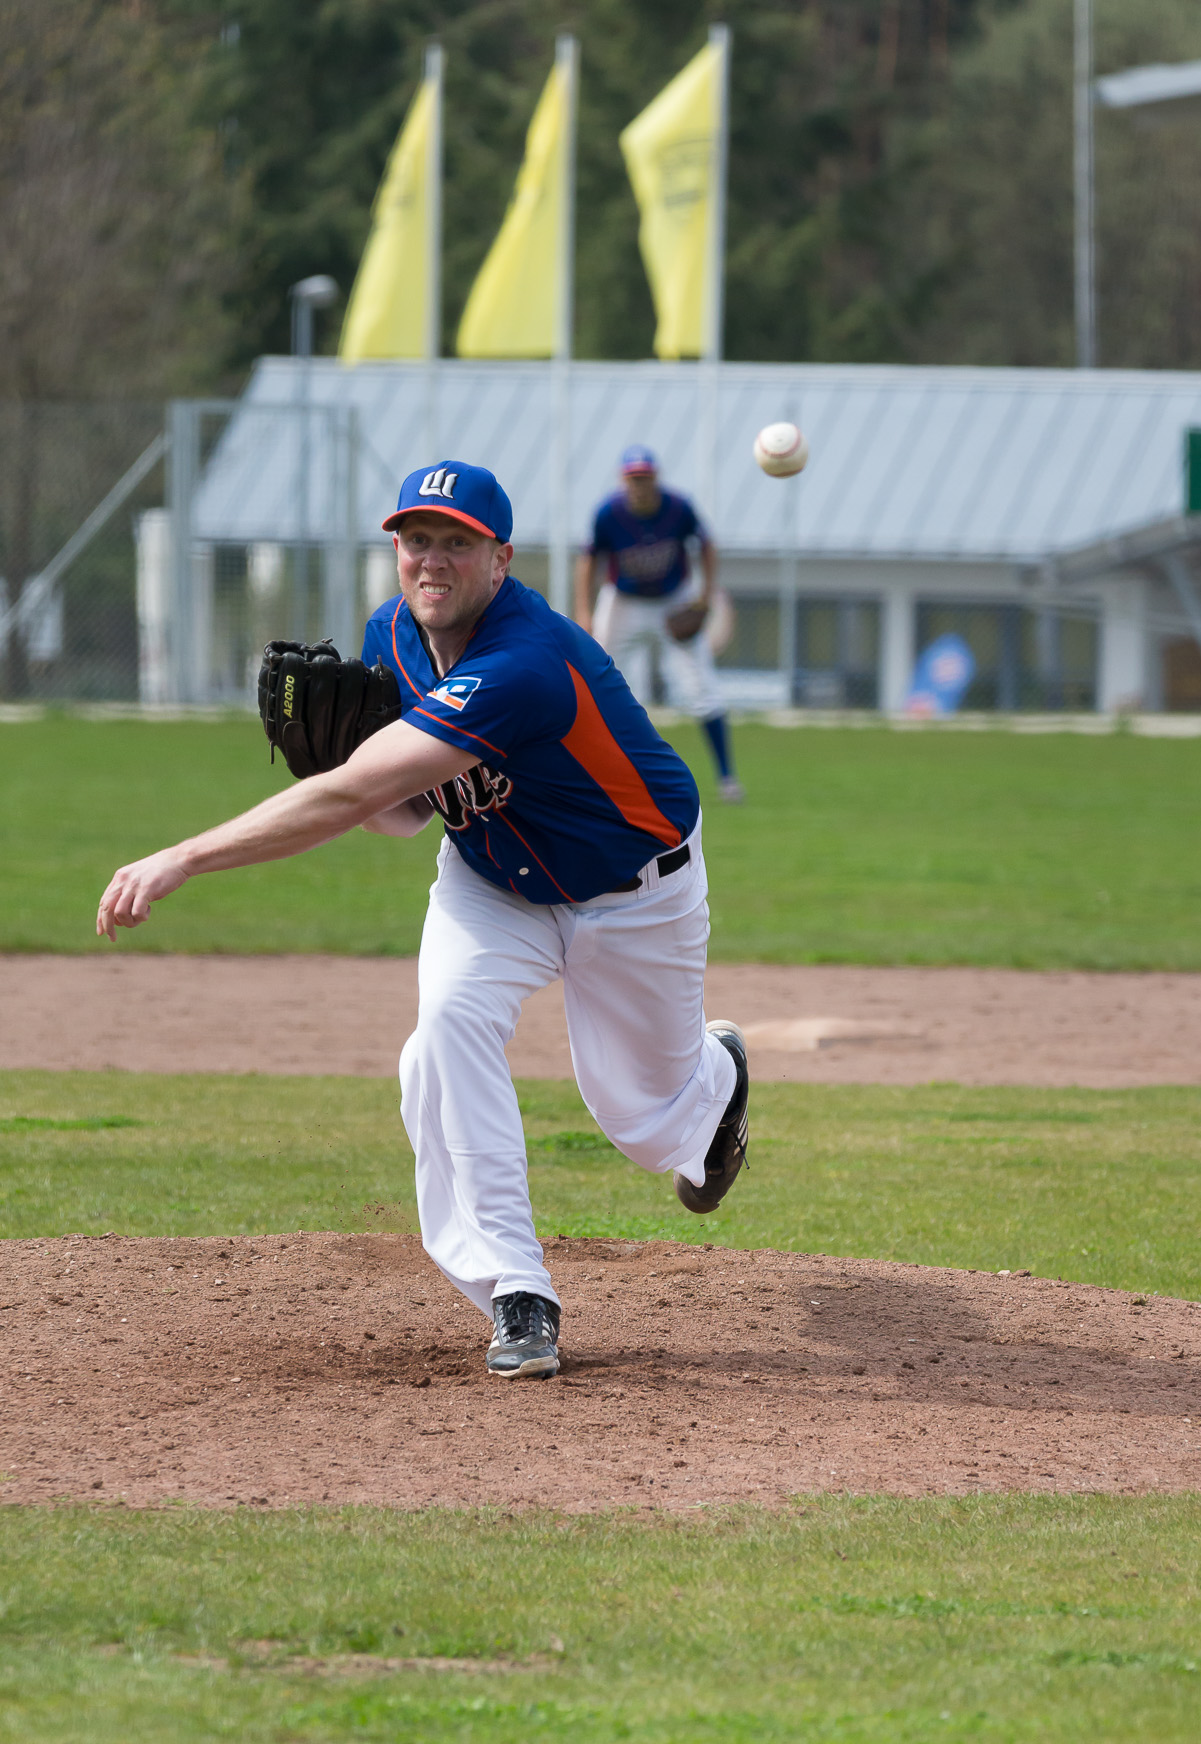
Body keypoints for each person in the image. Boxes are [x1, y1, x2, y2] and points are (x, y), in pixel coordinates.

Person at [96, 459, 750, 1383]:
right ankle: (517, 1293)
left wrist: (184, 856)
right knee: (441, 1036)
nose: (430, 561)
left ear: (500, 559)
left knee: (639, 1121)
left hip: (633, 893)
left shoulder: (525, 661)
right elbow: (401, 812)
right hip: (490, 880)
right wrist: (342, 764)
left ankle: (716, 1083)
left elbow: (355, 794)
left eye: (456, 543)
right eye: (415, 541)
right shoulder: (392, 637)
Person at [573, 444, 744, 803]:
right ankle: (589, 772)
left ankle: (727, 777)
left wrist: (705, 595)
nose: (640, 484)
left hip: (673, 599)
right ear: (623, 480)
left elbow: (706, 545)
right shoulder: (609, 513)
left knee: (702, 687)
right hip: (624, 602)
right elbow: (589, 559)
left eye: (646, 477)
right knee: (593, 682)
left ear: (656, 477)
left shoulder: (678, 507)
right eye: (634, 477)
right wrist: (585, 611)